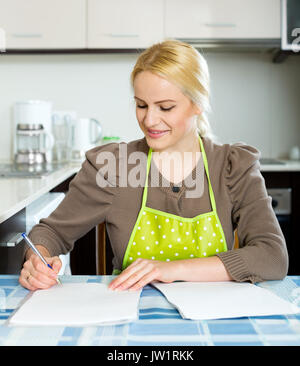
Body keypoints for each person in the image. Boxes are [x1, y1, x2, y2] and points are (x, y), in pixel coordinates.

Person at [19, 40, 288, 292]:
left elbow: (272, 256)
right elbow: (50, 232)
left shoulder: (232, 166)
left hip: (213, 323)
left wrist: (171, 269)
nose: (149, 120)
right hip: (130, 318)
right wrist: (38, 260)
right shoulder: (113, 167)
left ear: (198, 104)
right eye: (141, 105)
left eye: (166, 107)